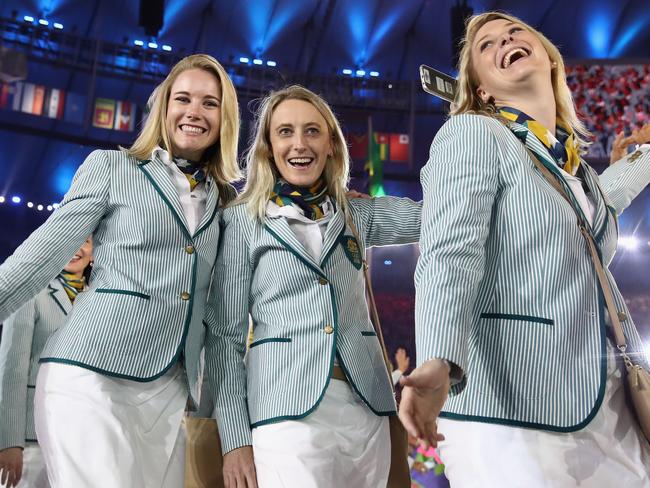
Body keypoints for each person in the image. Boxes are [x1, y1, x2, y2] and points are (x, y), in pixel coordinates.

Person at [399, 11, 650, 487]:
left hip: (607, 406)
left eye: (515, 32)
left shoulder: (568, 166)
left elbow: (593, 214)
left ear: (550, 59)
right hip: (513, 412)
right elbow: (450, 249)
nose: (505, 40)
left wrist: (645, 158)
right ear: (482, 91)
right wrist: (437, 359)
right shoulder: (473, 133)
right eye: (486, 44)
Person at [0, 53, 240, 487]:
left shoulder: (228, 207)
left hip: (168, 394)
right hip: (90, 377)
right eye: (183, 99)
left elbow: (223, 326)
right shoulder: (111, 168)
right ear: (164, 108)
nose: (194, 112)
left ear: (225, 118)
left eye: (210, 103)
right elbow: (38, 259)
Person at [204, 85, 421, 487]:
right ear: (268, 147)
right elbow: (224, 338)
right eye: (285, 131)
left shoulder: (357, 212)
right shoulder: (241, 222)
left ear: (332, 146)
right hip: (284, 411)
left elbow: (442, 217)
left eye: (312, 131)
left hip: (368, 406)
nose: (299, 143)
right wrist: (235, 441)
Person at [0, 238, 93, 488]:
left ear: (95, 252)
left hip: (82, 438)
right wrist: (10, 441)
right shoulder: (30, 292)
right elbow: (12, 369)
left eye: (85, 241)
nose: (76, 249)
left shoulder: (99, 299)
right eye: (71, 240)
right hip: (33, 438)